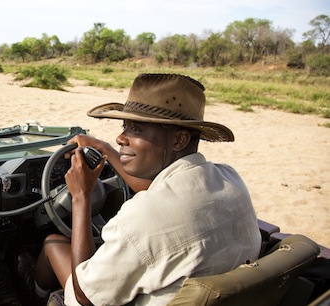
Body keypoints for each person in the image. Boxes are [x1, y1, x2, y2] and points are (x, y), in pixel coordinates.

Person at [18, 73, 262, 305]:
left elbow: (84, 296)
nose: (120, 138)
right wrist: (103, 148)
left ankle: (35, 294)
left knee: (51, 243)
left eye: (136, 129)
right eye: (125, 127)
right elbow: (157, 187)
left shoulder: (142, 216)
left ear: (179, 140)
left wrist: (81, 197)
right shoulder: (229, 179)